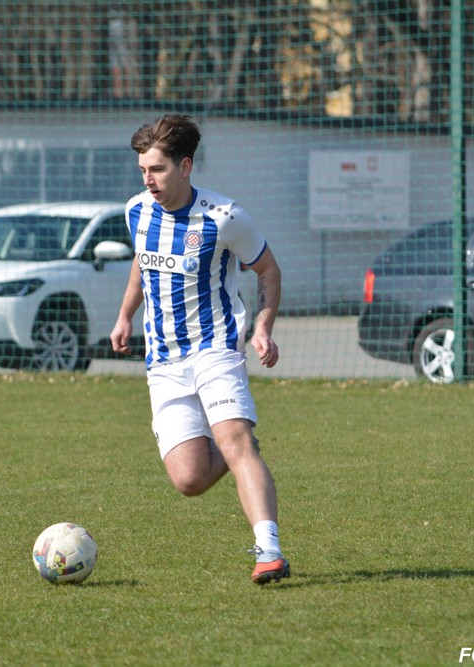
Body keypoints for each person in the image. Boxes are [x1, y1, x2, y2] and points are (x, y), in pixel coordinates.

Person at [110, 114, 289, 584]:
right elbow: (142, 263)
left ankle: (269, 550)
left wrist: (263, 327)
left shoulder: (224, 217)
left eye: (157, 169)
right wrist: (125, 315)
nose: (148, 180)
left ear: (185, 166)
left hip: (215, 349)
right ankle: (238, 448)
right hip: (164, 361)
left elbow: (268, 270)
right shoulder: (136, 211)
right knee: (188, 480)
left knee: (233, 441)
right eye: (143, 170)